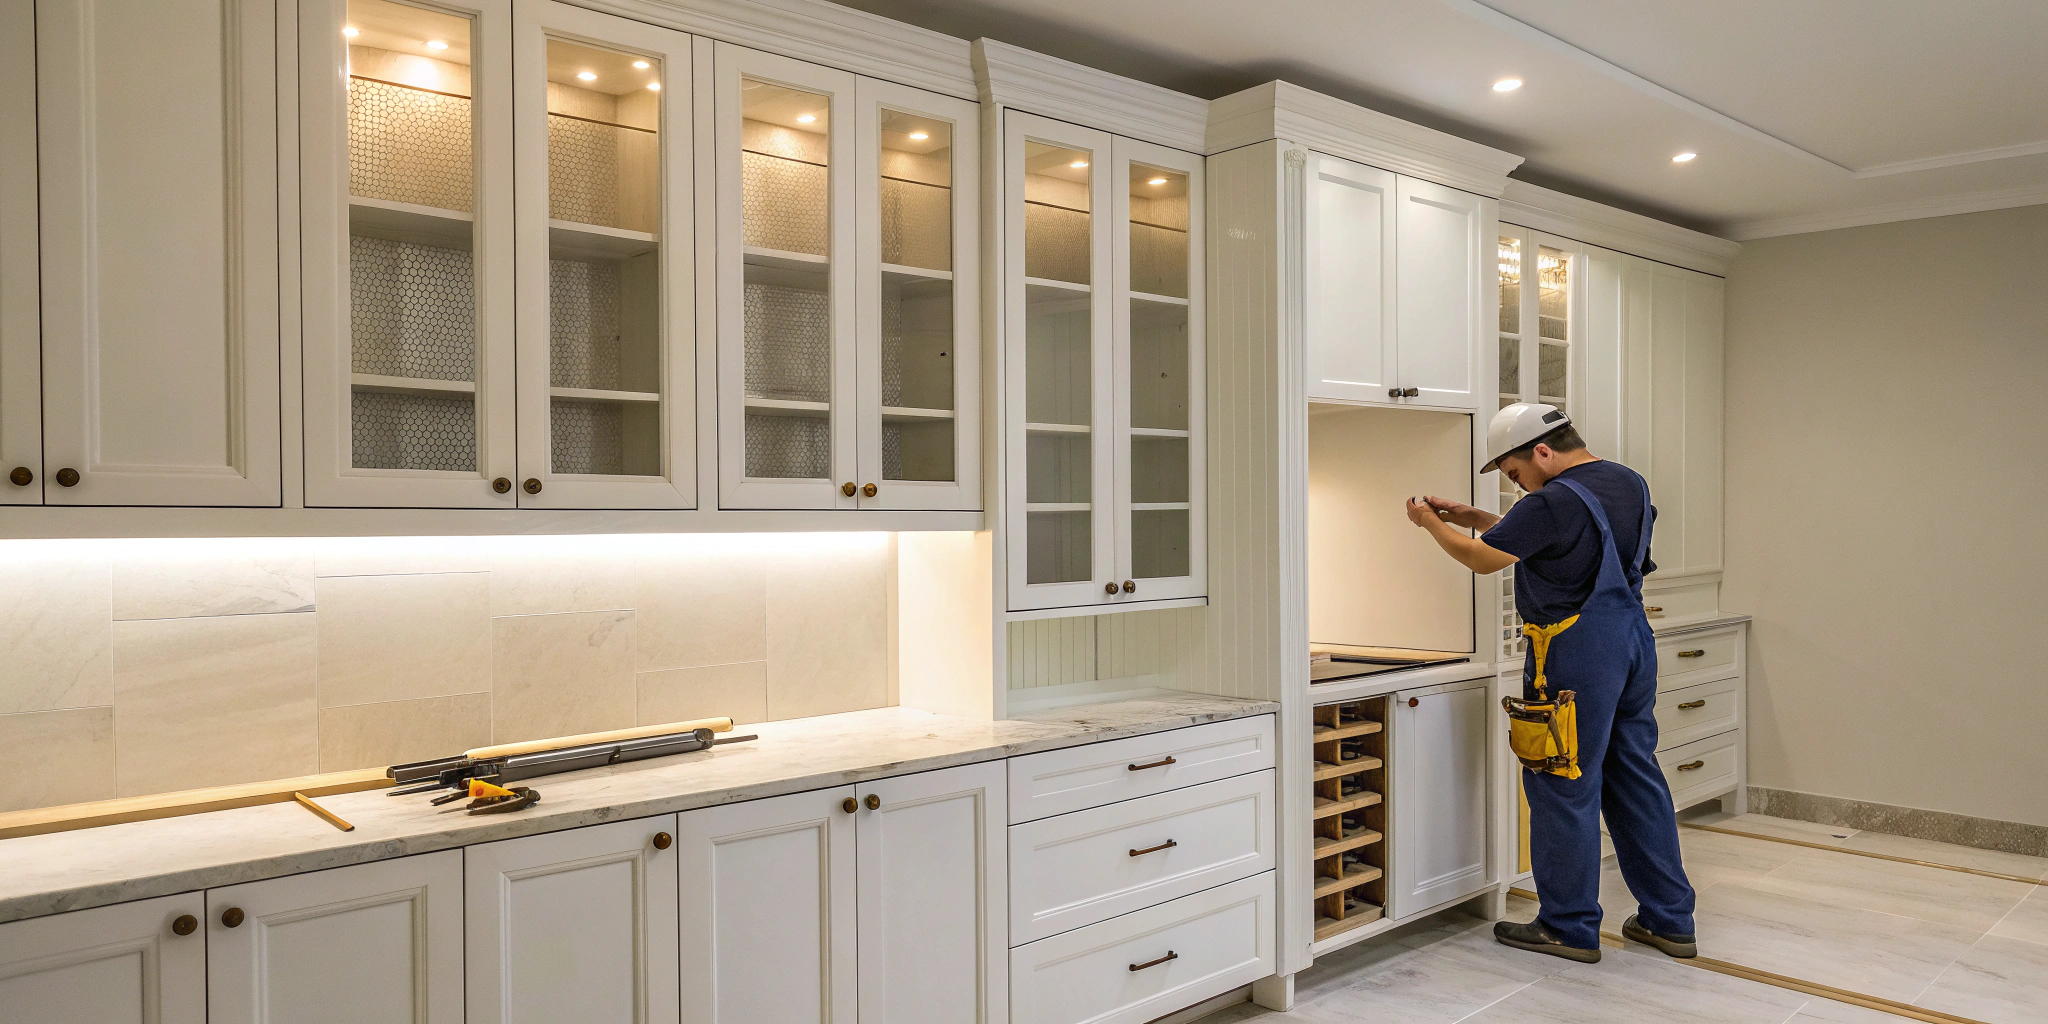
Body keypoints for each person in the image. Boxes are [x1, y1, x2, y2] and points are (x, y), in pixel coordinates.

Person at [1402, 402, 1697, 964]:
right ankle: (1669, 920)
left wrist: (1431, 523)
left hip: (1574, 654)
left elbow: (1480, 561)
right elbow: (1567, 543)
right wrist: (1475, 515)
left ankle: (1568, 924)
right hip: (1632, 645)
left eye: (1516, 474)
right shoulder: (1625, 482)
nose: (1518, 489)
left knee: (1562, 782)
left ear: (1542, 451)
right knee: (1635, 776)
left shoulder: (1553, 500)